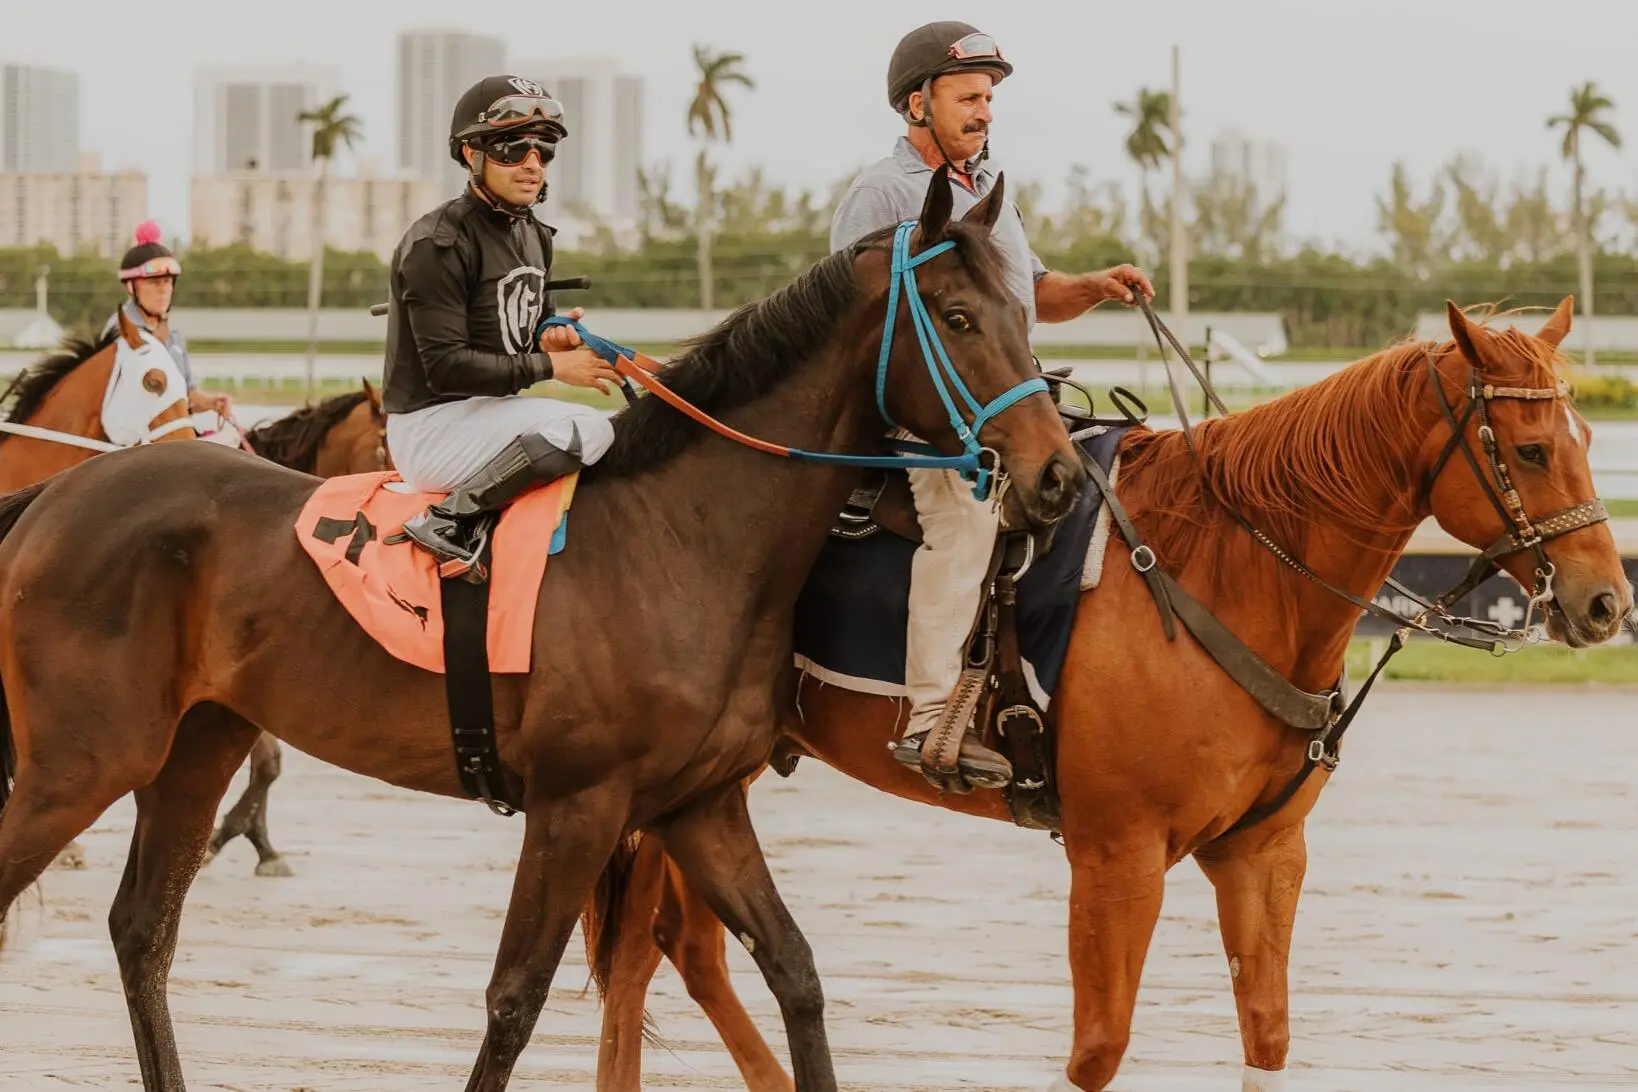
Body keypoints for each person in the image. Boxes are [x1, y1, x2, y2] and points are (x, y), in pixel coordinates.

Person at [829, 21, 1155, 789]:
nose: (984, 112)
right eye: (968, 97)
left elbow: (1033, 295)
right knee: (965, 523)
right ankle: (929, 718)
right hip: (924, 419)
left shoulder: (991, 186)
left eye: (988, 99)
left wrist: (1095, 287)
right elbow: (848, 322)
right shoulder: (881, 192)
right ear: (918, 103)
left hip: (1006, 401)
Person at [381, 74, 621, 579]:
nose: (533, 163)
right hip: (432, 426)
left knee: (618, 427)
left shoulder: (535, 234)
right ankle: (450, 520)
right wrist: (553, 367)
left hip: (489, 414)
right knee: (588, 428)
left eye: (544, 149)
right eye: (513, 149)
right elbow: (447, 368)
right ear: (473, 154)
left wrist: (550, 334)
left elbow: (524, 330)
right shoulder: (437, 244)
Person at [102, 221, 233, 416]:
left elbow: (188, 395)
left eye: (167, 282)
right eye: (155, 282)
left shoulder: (174, 337)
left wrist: (211, 403)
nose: (163, 290)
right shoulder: (118, 329)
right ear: (132, 287)